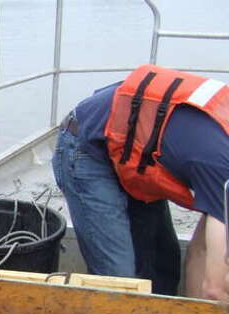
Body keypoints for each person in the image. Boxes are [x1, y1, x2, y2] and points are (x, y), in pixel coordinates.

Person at [52, 64, 229, 300]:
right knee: (119, 281)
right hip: (87, 147)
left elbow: (201, 251)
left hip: (137, 155)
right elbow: (215, 288)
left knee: (161, 267)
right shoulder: (220, 166)